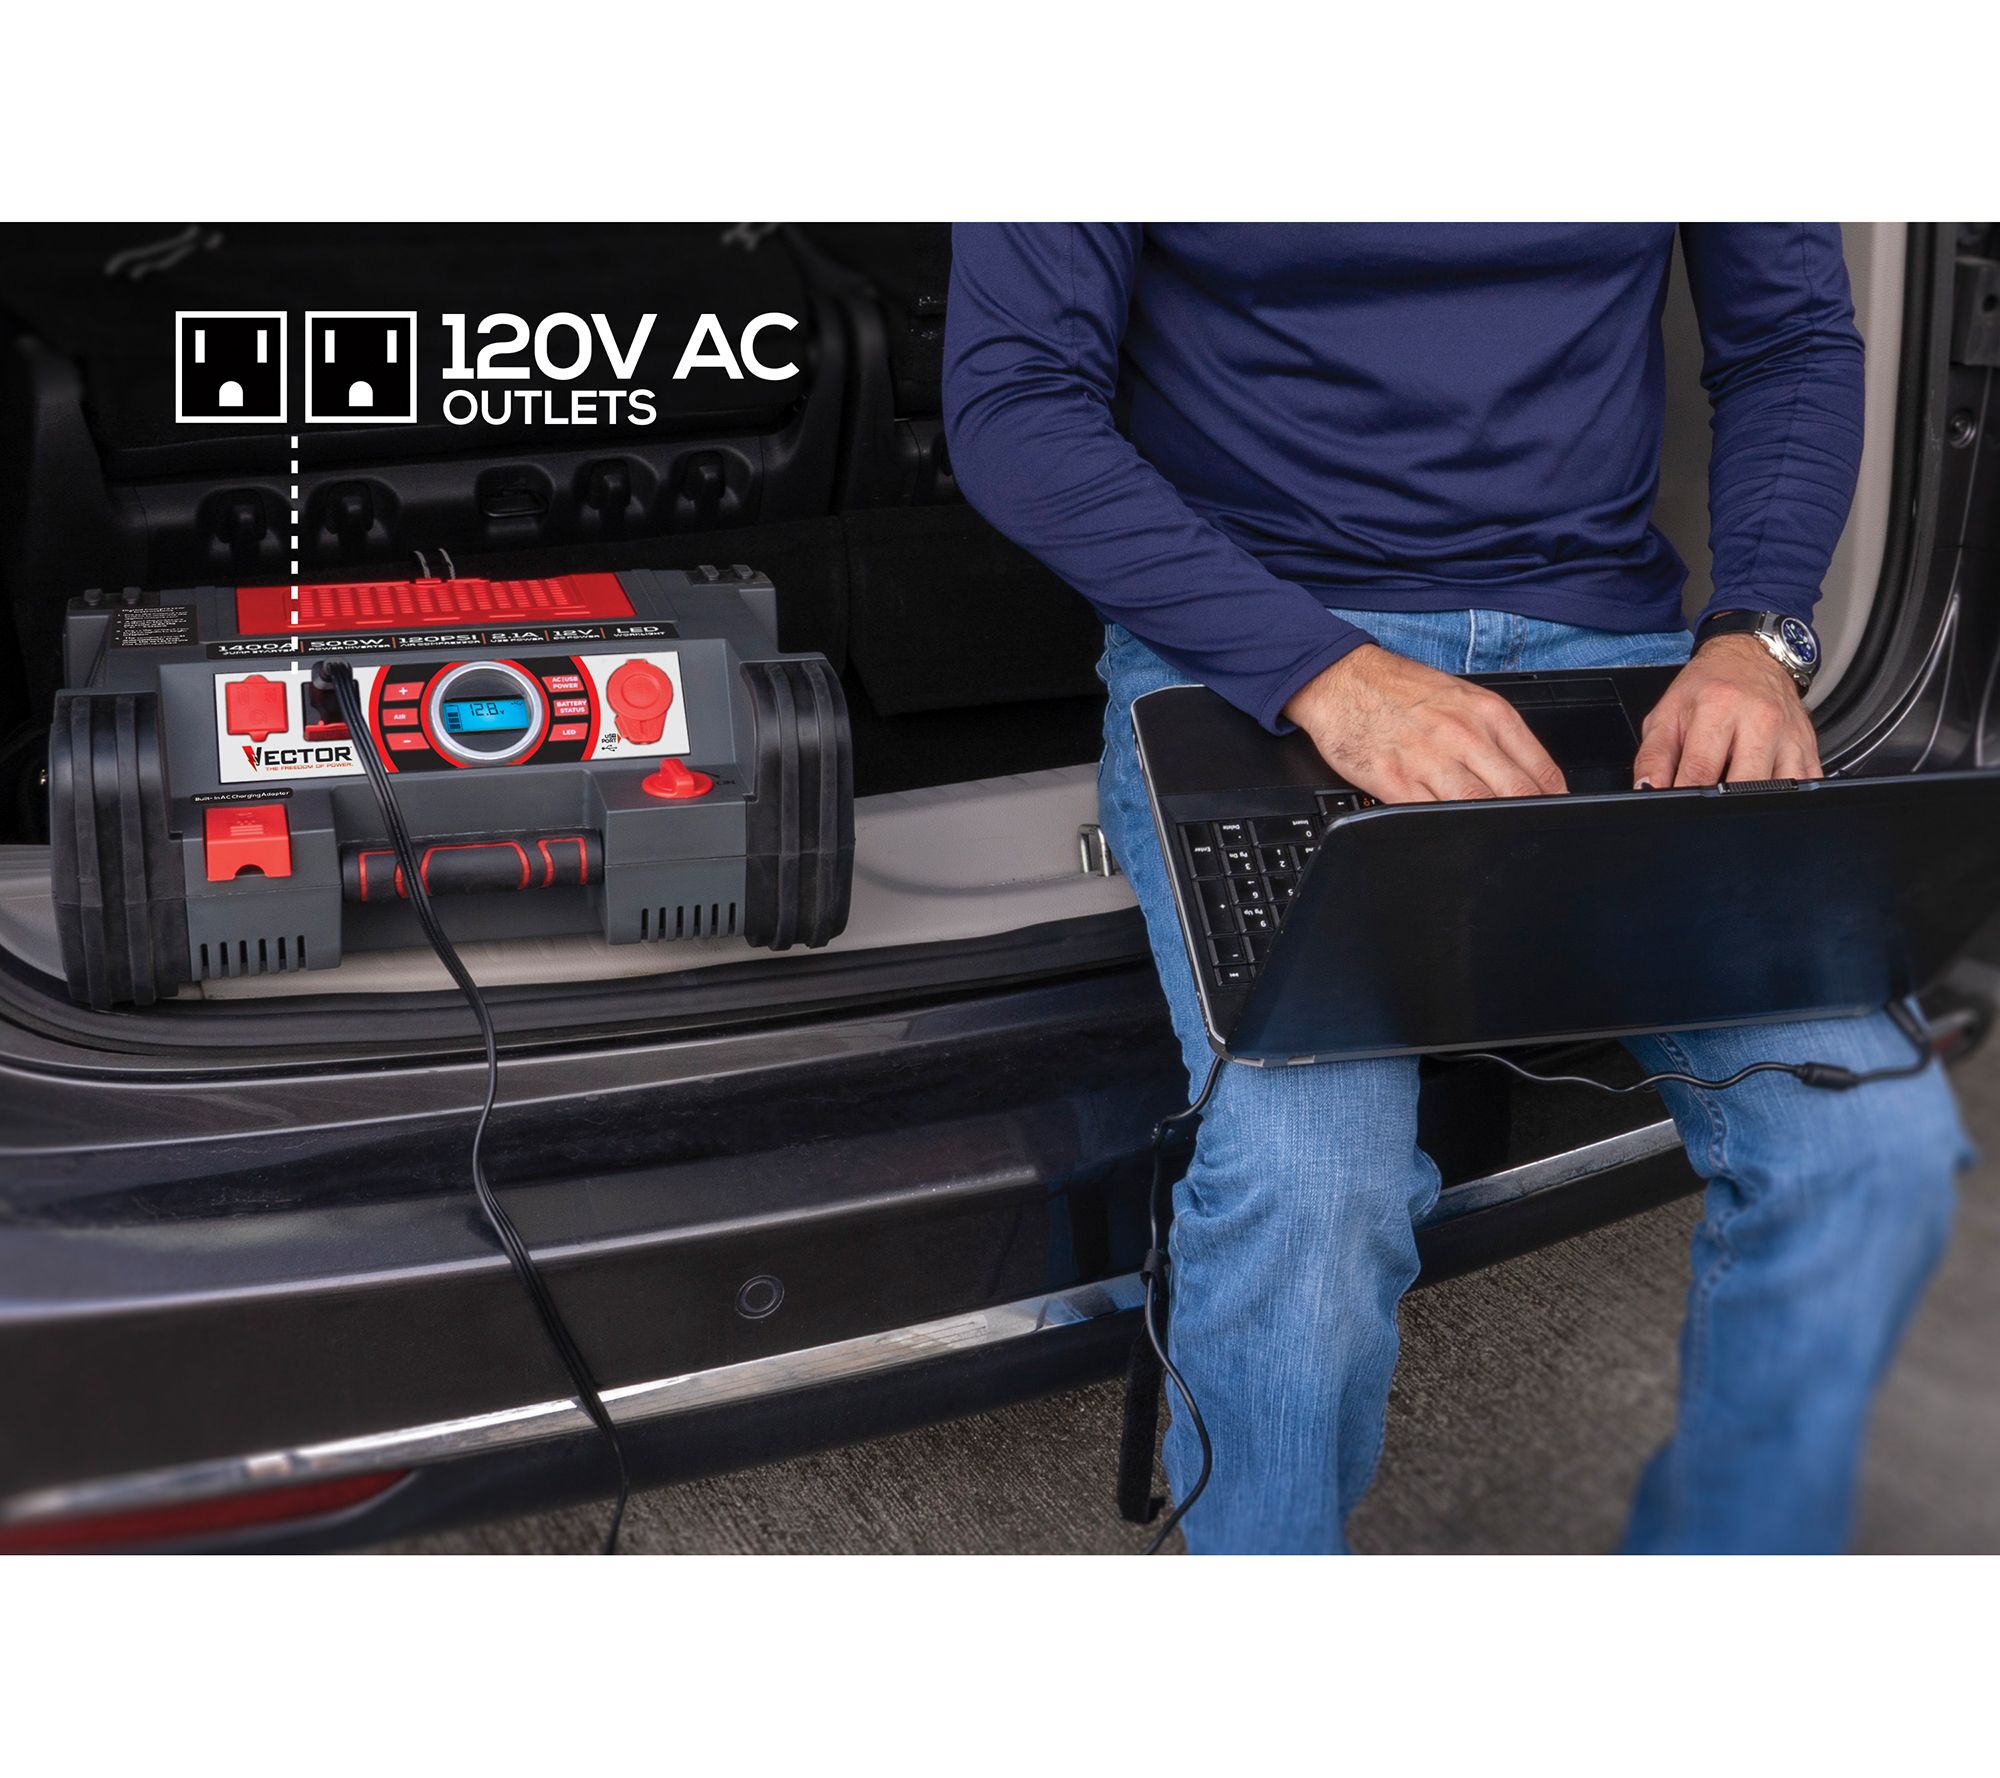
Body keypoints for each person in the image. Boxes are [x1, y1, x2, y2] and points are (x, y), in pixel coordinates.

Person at [941, 224, 1971, 1554]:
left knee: (1871, 1146)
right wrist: (1324, 674)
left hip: (1611, 645)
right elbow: (1015, 399)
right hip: (1255, 647)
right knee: (1310, 1191)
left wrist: (1755, 637)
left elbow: (1791, 338)